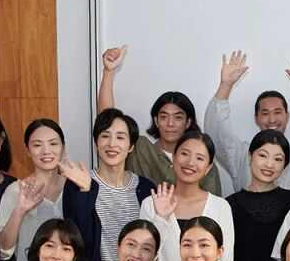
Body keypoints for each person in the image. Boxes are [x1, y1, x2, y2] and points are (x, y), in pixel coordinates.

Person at [95, 44, 225, 196]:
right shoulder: (140, 149)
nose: (170, 123)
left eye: (178, 117)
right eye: (164, 117)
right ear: (156, 121)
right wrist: (108, 72)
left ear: (188, 122)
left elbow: (213, 204)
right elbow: (108, 121)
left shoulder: (200, 158)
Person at [205, 51, 290, 191]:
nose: (272, 119)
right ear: (256, 118)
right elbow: (216, 135)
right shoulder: (242, 154)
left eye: (277, 112)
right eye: (265, 113)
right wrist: (225, 85)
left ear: (287, 116)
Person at [59, 109, 156, 261]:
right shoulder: (78, 183)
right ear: (96, 143)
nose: (112, 144)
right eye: (105, 136)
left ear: (131, 146)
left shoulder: (145, 188)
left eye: (120, 137)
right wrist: (86, 191)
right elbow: (76, 240)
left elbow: (154, 243)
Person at [139, 130, 235, 261]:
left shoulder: (220, 207)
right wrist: (161, 219)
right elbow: (143, 259)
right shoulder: (151, 203)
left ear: (208, 168)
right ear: (173, 158)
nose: (190, 162)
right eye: (184, 154)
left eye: (199, 158)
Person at [227, 129, 290, 261]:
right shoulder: (229, 205)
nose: (269, 164)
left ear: (285, 165)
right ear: (250, 156)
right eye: (263, 155)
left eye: (278, 159)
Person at [0, 119, 69, 261]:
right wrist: (20, 210)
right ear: (28, 150)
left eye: (53, 143)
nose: (46, 151)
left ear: (63, 147)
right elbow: (2, 250)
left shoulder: (75, 188)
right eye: (37, 145)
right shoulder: (16, 191)